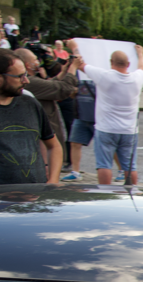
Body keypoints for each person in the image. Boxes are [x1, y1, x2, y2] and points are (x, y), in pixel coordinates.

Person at [75, 43, 143, 185]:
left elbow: (80, 64)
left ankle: (105, 194)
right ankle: (132, 193)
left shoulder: (104, 76)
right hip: (129, 130)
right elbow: (142, 67)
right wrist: (141, 53)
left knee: (104, 164)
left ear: (111, 63)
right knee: (130, 166)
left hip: (106, 129)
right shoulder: (137, 79)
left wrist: (74, 48)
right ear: (128, 64)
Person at [0, 49, 61, 184]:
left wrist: (53, 180)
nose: (26, 81)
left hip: (34, 199)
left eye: (26, 75)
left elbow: (54, 146)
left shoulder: (30, 103)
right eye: (19, 76)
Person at [15, 47, 78, 168]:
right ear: (28, 65)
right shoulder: (30, 82)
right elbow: (62, 89)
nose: (38, 62)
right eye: (35, 60)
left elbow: (51, 85)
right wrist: (73, 68)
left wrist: (64, 71)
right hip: (45, 142)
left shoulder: (31, 81)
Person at [61, 77, 97, 182]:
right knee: (75, 143)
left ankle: (121, 171)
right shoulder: (79, 78)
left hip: (98, 117)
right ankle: (75, 172)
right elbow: (71, 95)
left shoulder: (99, 75)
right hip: (80, 116)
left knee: (106, 144)